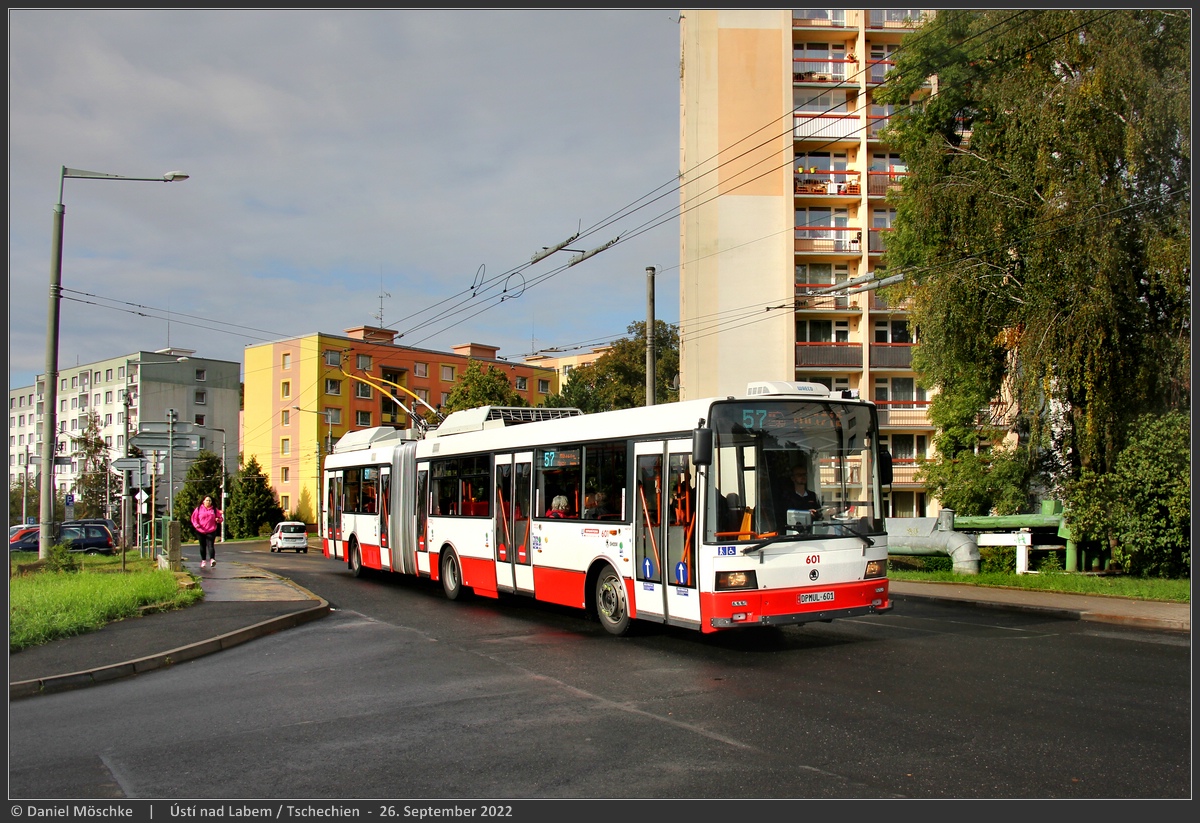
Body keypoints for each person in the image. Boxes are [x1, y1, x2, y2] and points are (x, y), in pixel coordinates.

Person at [191, 495, 224, 568]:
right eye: (207, 500)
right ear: (203, 501)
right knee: (202, 546)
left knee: (210, 545)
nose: (208, 502)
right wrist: (196, 524)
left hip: (211, 530)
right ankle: (203, 561)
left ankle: (212, 559)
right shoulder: (199, 509)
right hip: (200, 530)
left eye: (210, 500)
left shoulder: (214, 510)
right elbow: (194, 518)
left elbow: (220, 518)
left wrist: (218, 520)